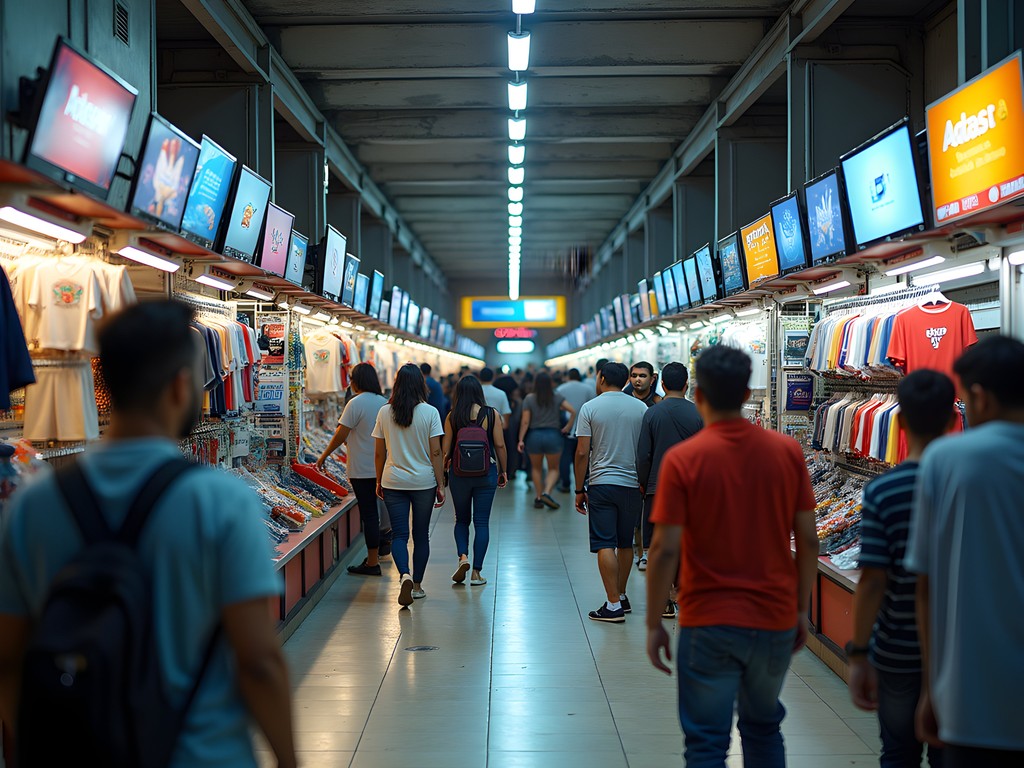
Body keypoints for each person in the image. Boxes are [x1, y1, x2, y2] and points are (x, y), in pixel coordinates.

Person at [0, 301, 297, 768]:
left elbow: (9, 656)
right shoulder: (220, 502)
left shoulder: (32, 506)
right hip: (201, 754)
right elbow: (258, 660)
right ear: (181, 386)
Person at [645, 345, 818, 767]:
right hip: (772, 616)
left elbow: (664, 547)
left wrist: (653, 623)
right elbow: (808, 541)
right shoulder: (786, 452)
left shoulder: (683, 460)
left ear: (698, 394)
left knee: (706, 743)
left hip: (709, 618)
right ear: (746, 393)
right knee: (763, 729)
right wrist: (800, 611)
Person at [906, 336, 1024, 767]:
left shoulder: (945, 459)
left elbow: (926, 584)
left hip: (972, 698)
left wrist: (930, 689)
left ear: (977, 395)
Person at [847, 370, 954, 768]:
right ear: (951, 419)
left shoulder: (883, 491)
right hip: (957, 647)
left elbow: (873, 580)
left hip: (896, 650)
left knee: (898, 753)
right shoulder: (969, 482)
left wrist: (858, 652)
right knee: (951, 753)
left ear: (901, 421)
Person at [574, 362, 648, 622]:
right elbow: (644, 450)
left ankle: (613, 605)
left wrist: (578, 488)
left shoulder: (590, 408)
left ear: (602, 378)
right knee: (625, 542)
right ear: (627, 379)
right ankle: (622, 594)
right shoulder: (641, 408)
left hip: (602, 483)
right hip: (631, 483)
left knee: (605, 543)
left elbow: (583, 451)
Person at [373, 364, 446, 607]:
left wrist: (378, 479)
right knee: (421, 535)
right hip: (423, 481)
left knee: (399, 535)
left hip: (393, 480)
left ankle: (403, 573)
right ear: (421, 384)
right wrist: (441, 483)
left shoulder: (385, 412)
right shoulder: (430, 412)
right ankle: (416, 585)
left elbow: (379, 453)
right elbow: (436, 452)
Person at [635, 362, 703, 616]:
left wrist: (643, 482)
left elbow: (644, 455)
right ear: (686, 385)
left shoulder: (652, 413)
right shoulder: (699, 414)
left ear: (661, 384)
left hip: (657, 488)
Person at [317, 363, 390, 576]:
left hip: (361, 469)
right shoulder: (383, 403)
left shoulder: (355, 403)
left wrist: (323, 456)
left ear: (356, 381)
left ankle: (373, 562)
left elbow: (341, 434)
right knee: (379, 512)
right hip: (381, 467)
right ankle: (378, 554)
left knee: (369, 514)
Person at [442, 376, 508, 586]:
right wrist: (503, 470)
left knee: (461, 519)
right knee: (481, 522)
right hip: (486, 473)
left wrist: (443, 472)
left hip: (459, 474)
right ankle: (477, 573)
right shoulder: (491, 414)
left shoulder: (453, 416)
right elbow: (499, 445)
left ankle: (463, 557)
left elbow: (445, 450)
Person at [518, 372, 576, 509]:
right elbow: (573, 411)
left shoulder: (529, 398)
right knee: (554, 469)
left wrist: (520, 439)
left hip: (534, 436)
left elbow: (525, 422)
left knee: (536, 468)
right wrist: (567, 427)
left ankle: (539, 497)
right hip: (553, 436)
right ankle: (547, 492)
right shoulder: (556, 397)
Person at [555, 368, 594, 493]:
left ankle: (565, 484)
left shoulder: (561, 389)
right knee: (583, 457)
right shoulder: (588, 389)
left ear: (568, 376)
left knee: (564, 458)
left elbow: (558, 408)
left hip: (566, 428)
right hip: (585, 429)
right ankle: (583, 483)